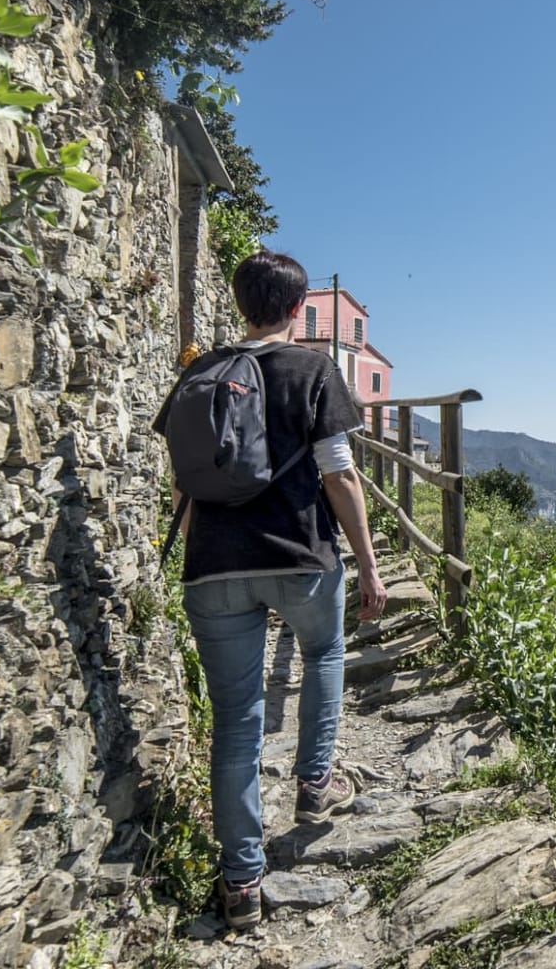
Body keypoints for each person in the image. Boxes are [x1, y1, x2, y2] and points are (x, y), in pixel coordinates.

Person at [152, 250, 388, 930]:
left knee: (236, 721)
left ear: (238, 304)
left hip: (214, 566)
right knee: (323, 654)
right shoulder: (314, 369)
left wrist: (208, 551)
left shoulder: (199, 373)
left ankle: (242, 881)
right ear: (296, 310)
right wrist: (368, 564)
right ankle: (315, 786)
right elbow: (339, 475)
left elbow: (185, 484)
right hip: (300, 555)